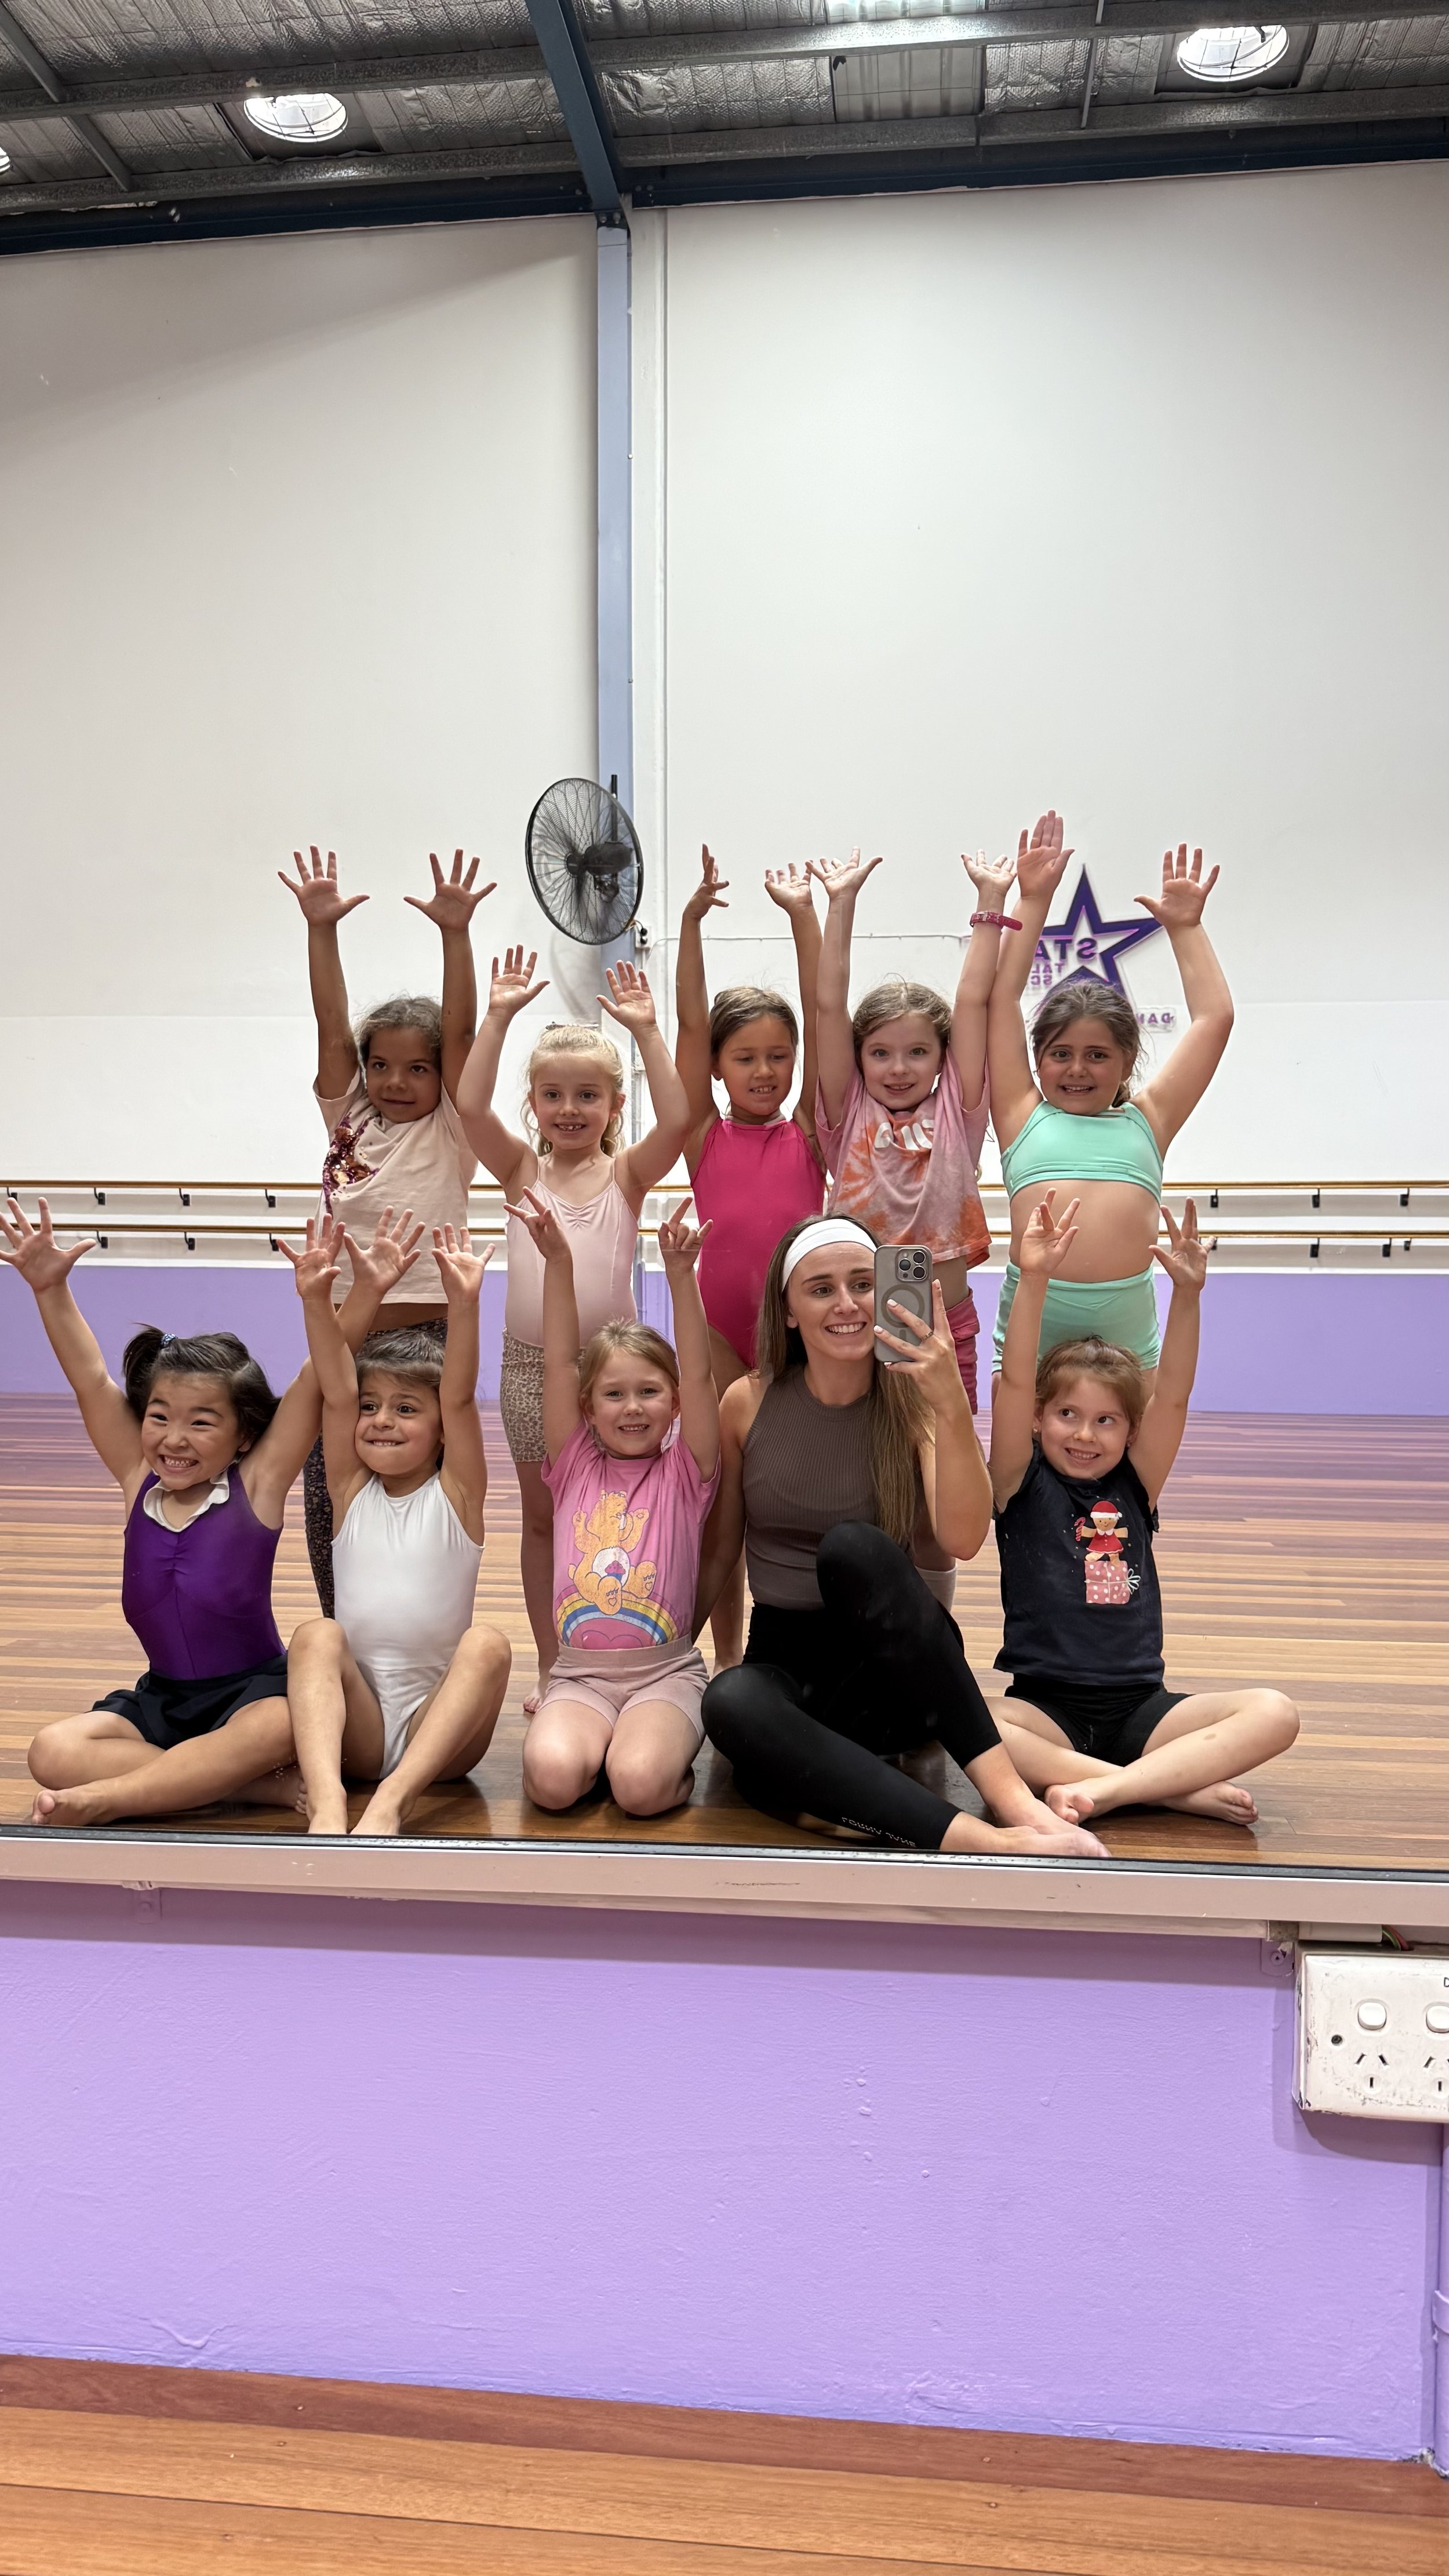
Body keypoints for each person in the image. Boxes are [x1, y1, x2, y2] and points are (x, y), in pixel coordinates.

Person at [696, 1216, 1109, 1855]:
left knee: (854, 1548)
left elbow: (965, 1536)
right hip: (787, 1665)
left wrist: (948, 1403)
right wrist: (665, 1661)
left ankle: (1010, 1799)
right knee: (728, 1701)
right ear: (786, 1311)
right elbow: (721, 1550)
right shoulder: (744, 1403)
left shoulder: (913, 1400)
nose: (846, 1304)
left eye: (863, 1284)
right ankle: (973, 1838)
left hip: (890, 1672)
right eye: (820, 1288)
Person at [1, 1196, 416, 1828]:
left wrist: (361, 1294)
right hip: (162, 1699)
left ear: (243, 1435)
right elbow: (91, 1378)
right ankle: (247, 1788)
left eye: (201, 1423)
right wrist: (50, 1288)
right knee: (50, 1750)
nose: (174, 1439)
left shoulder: (260, 1481)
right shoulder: (137, 1478)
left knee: (284, 1722)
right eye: (160, 1417)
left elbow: (311, 1381)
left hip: (250, 1697)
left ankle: (112, 1799)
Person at [990, 1191, 1298, 1825]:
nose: (1084, 1434)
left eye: (1106, 1420)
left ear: (1130, 1431)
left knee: (1276, 1711)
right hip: (1045, 1711)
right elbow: (1015, 1378)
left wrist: (1186, 1295)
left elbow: (1175, 1396)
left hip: (1142, 1709)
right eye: (1067, 1415)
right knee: (968, 1718)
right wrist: (1035, 1277)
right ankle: (1158, 1789)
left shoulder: (1136, 1483)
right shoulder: (1018, 1481)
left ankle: (1106, 1789)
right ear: (1037, 1419)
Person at [456, 949, 692, 1709]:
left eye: (587, 1096)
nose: (569, 1109)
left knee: (616, 1513)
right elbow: (466, 1109)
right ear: (533, 1103)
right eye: (553, 1095)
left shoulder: (626, 1177)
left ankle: (621, 1642)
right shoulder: (521, 1171)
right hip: (530, 1367)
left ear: (614, 1107)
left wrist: (650, 1034)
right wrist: (495, 1018)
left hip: (613, 1371)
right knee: (543, 1515)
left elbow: (683, 1118)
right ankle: (555, 1665)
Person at [278, 842, 494, 1612]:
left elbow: (464, 1033)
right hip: (343, 1339)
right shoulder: (351, 1117)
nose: (396, 1082)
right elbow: (331, 1025)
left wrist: (456, 935)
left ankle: (426, 1632)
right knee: (331, 1492)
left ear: (442, 1074)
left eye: (417, 1068)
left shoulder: (453, 1129)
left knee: (428, 1503)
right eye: (382, 1066)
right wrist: (320, 929)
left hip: (426, 1344)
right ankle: (346, 1629)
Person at [986, 814, 1235, 1379]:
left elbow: (1213, 1019)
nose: (1077, 1068)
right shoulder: (1021, 1113)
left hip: (1128, 1335)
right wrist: (1034, 899)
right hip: (1034, 1324)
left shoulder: (1149, 1119)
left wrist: (1184, 928)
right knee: (1013, 1467)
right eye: (1060, 1053)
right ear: (1038, 1058)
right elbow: (1001, 1000)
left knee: (1127, 1467)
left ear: (1126, 1061)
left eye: (1097, 1055)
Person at [284, 1223, 511, 1838]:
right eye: (372, 1406)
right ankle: (327, 1799)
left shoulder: (458, 1495)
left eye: (406, 1408)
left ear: (440, 1431)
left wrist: (464, 1305)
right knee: (314, 1634)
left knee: (488, 1643)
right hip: (357, 1727)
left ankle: (395, 1799)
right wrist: (316, 1303)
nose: (381, 1421)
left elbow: (460, 1398)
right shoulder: (349, 1492)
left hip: (439, 1736)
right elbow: (334, 1393)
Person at [504, 1189, 719, 1818]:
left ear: (673, 1403)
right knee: (550, 1781)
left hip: (665, 1673)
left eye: (650, 1391)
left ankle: (643, 1757)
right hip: (580, 1677)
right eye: (615, 1393)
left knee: (640, 1788)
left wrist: (682, 1276)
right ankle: (598, 1749)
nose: (632, 1407)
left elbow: (703, 1376)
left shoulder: (687, 1471)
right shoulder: (572, 1464)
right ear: (588, 1407)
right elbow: (558, 1366)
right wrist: (558, 1264)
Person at [674, 843, 826, 1666]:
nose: (765, 1070)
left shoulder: (810, 1131)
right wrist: (692, 925)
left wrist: (804, 919)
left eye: (779, 1056)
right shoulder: (701, 1132)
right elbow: (691, 1026)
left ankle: (786, 1649)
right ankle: (727, 1663)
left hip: (794, 1335)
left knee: (782, 1496)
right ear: (719, 1068)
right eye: (746, 1058)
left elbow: (824, 1010)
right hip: (721, 1333)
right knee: (718, 1505)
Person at [809, 846, 1004, 1419]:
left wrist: (990, 901)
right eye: (880, 1053)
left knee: (948, 1456)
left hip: (946, 1322)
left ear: (943, 1059)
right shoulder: (847, 1114)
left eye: (917, 1052)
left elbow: (973, 1000)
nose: (898, 1068)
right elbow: (826, 1006)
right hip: (854, 1325)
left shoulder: (957, 1110)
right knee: (867, 1460)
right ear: (859, 1057)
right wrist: (840, 903)